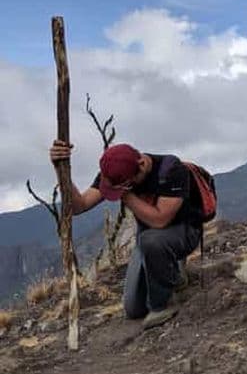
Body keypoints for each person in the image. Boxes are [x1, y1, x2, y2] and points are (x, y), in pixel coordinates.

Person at [49, 140, 202, 329]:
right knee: (133, 309)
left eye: (127, 184)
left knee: (151, 240)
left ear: (142, 165)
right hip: (148, 242)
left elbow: (160, 220)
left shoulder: (171, 170)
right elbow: (79, 205)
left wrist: (125, 194)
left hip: (183, 232)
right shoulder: (114, 173)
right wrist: (61, 170)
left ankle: (162, 306)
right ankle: (172, 274)